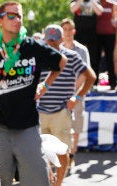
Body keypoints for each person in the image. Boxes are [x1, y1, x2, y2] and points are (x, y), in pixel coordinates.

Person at [0, 1, 67, 186]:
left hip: (27, 126)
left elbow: (61, 62)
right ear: (0, 20)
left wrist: (44, 86)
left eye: (19, 16)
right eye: (11, 15)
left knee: (37, 180)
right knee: (0, 180)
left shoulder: (31, 47)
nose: (17, 20)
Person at [38, 24, 95, 186]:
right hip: (39, 112)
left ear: (62, 39)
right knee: (39, 153)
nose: (53, 43)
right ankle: (48, 180)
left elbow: (90, 77)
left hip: (61, 112)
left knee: (62, 152)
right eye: (50, 40)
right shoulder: (39, 57)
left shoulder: (72, 56)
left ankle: (58, 184)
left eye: (56, 40)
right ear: (45, 39)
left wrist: (76, 98)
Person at [60, 18, 91, 163]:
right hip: (59, 93)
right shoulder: (56, 49)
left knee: (76, 124)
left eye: (69, 29)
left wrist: (73, 90)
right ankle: (61, 155)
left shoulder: (81, 50)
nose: (67, 32)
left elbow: (86, 74)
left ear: (74, 31)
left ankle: (71, 155)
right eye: (64, 29)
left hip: (77, 92)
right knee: (60, 124)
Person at [70, 0, 102, 70]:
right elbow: (72, 9)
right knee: (77, 55)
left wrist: (91, 0)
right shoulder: (76, 0)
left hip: (91, 33)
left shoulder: (94, 1)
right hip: (78, 33)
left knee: (93, 58)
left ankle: (93, 82)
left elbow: (99, 12)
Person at [95, 0, 117, 88]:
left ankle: (113, 83)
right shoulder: (95, 5)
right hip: (97, 36)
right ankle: (94, 83)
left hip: (110, 35)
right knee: (96, 59)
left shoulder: (112, 5)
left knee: (110, 59)